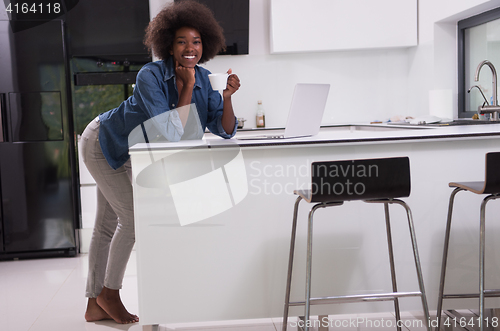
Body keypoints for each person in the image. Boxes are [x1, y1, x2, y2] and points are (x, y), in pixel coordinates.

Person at [82, 0, 240, 324]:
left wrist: (225, 98)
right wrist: (187, 87)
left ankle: (93, 304)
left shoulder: (207, 77)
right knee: (133, 220)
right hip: (103, 141)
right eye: (182, 41)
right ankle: (109, 293)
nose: (189, 48)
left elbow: (223, 130)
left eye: (196, 41)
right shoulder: (150, 75)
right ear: (169, 44)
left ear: (205, 45)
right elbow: (168, 134)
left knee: (107, 225)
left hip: (129, 150)